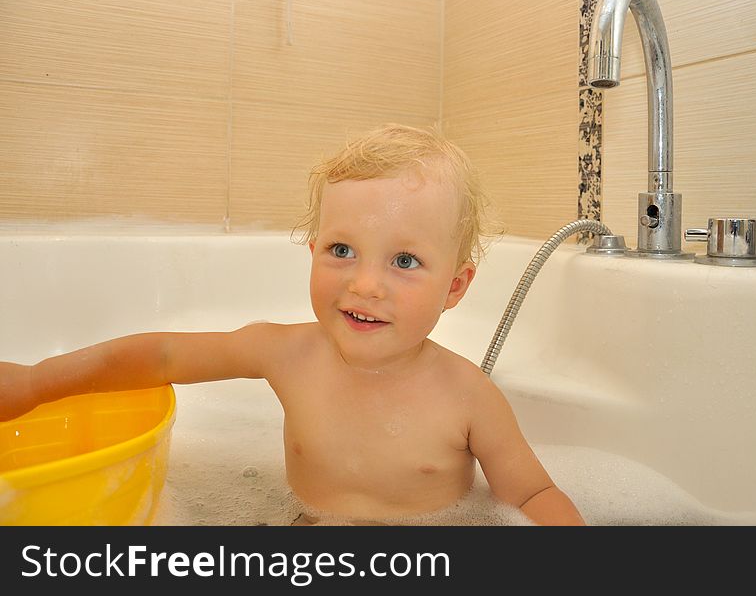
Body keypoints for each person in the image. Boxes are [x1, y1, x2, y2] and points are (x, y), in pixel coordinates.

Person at [0, 124, 586, 526]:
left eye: (404, 261)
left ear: (455, 286)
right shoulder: (287, 354)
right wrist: (35, 382)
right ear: (311, 251)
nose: (365, 285)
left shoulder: (469, 397)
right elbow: (159, 358)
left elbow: (532, 493)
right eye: (341, 250)